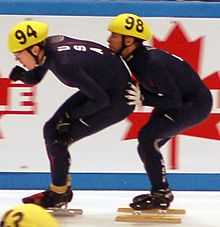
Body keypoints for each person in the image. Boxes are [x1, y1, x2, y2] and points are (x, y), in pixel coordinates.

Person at [8, 20, 135, 208]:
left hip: (117, 100)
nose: (17, 59)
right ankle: (60, 189)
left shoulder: (64, 64)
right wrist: (20, 76)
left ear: (35, 50)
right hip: (104, 89)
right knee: (52, 130)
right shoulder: (49, 47)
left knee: (58, 136)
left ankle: (59, 193)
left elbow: (100, 101)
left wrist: (70, 117)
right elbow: (35, 76)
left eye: (19, 55)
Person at [107, 13, 213, 210]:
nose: (108, 39)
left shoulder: (150, 62)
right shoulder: (135, 57)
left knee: (148, 138)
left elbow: (173, 99)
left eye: (114, 35)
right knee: (145, 143)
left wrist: (143, 98)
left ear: (128, 40)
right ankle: (160, 191)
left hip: (195, 104)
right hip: (183, 100)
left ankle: (161, 194)